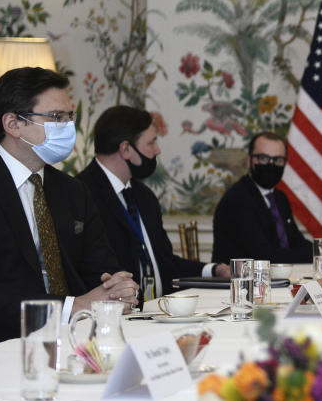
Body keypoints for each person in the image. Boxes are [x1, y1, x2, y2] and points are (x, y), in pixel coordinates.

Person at [0, 67, 136, 355]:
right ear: (13, 123)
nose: (68, 127)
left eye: (70, 117)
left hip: (76, 342)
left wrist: (117, 288)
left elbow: (101, 269)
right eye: (57, 117)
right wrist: (74, 306)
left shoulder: (73, 190)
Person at [77, 106, 230, 300]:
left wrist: (214, 269)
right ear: (125, 149)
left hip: (157, 311)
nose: (157, 150)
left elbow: (164, 261)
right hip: (115, 316)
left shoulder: (144, 196)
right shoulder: (80, 195)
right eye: (151, 142)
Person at [211, 132, 312, 265]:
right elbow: (266, 257)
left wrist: (319, 251)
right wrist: (312, 254)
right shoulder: (237, 200)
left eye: (278, 160)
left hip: (273, 280)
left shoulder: (279, 198)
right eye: (263, 158)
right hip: (237, 283)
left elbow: (297, 241)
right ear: (249, 160)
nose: (271, 165)